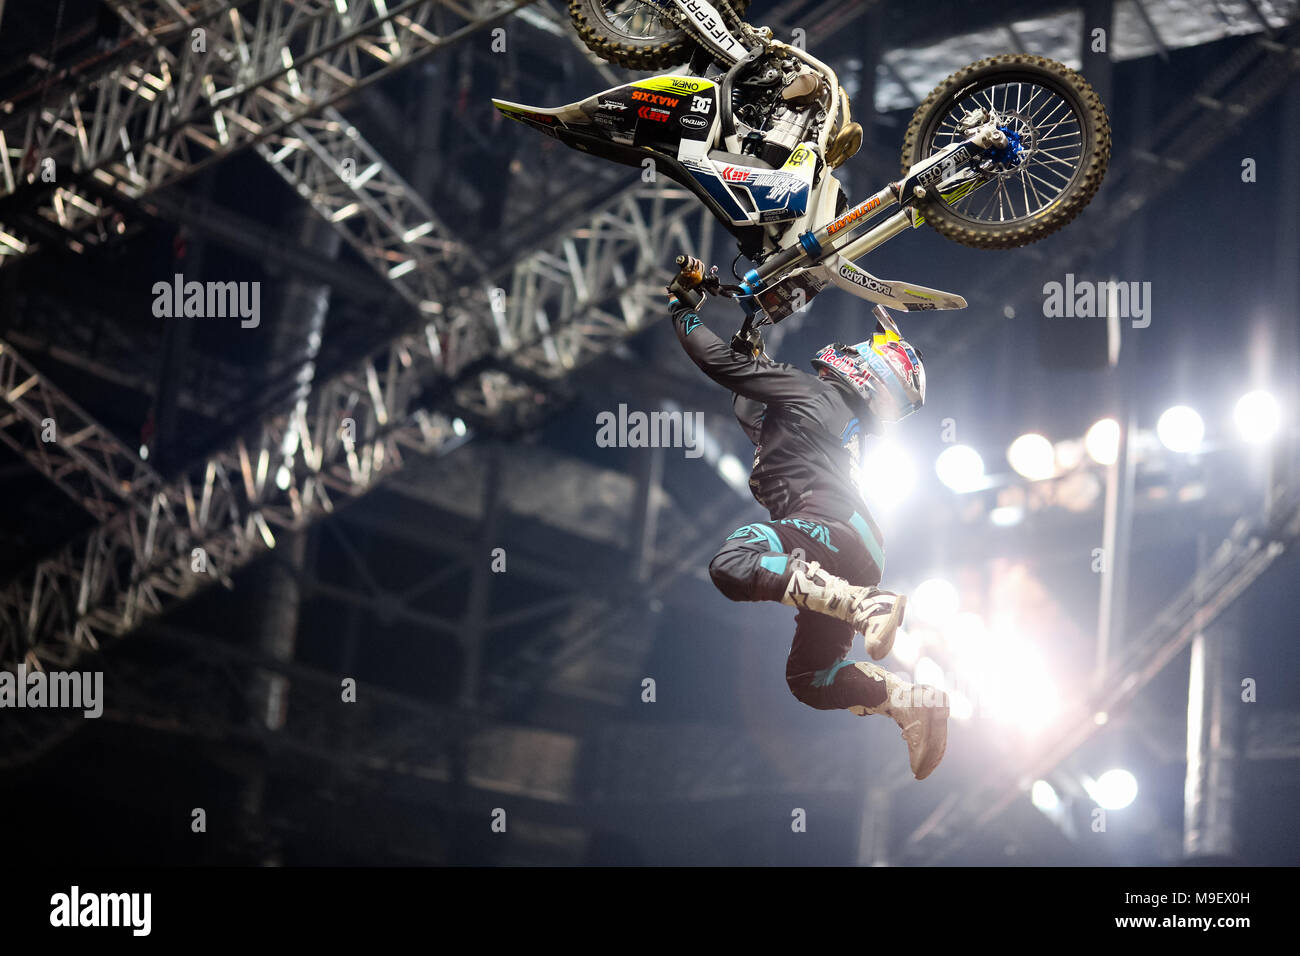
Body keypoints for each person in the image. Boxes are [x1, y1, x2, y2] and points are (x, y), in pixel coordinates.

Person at [668, 257, 949, 780]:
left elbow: (719, 366)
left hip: (830, 528)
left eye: (865, 351)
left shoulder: (814, 391)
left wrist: (683, 313)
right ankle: (910, 700)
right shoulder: (824, 410)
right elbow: (750, 407)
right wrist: (747, 343)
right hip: (857, 544)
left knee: (733, 561)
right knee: (810, 678)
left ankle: (865, 606)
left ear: (873, 370)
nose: (853, 350)